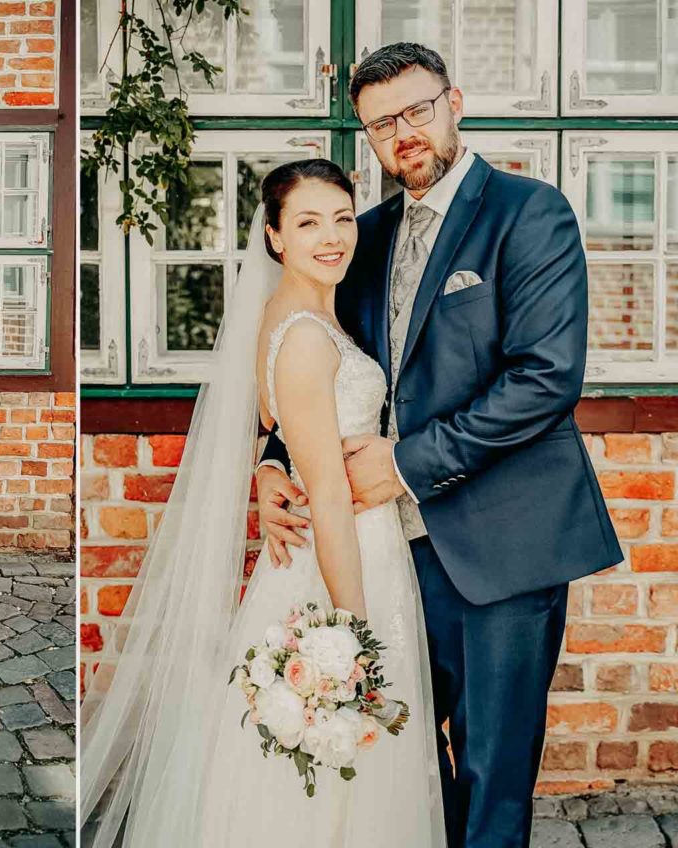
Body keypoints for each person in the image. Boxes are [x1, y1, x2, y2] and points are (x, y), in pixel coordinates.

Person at [256, 43, 621, 848]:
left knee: (492, 771)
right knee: (408, 762)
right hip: (393, 553)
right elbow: (320, 364)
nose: (404, 132)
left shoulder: (531, 212)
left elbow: (546, 379)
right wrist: (273, 463)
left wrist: (401, 464)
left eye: (418, 109)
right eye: (383, 122)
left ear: (454, 102)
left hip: (505, 545)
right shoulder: (365, 234)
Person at [81, 159, 445, 847]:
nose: (332, 236)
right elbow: (332, 501)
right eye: (308, 222)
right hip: (341, 563)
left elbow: (280, 433)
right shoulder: (305, 336)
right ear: (275, 237)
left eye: (342, 217)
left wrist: (268, 466)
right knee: (337, 751)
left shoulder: (295, 312)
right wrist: (351, 637)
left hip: (331, 552)